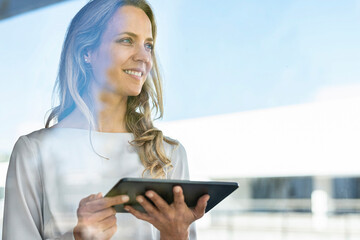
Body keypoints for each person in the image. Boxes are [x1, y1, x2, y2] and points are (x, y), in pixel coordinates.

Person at [2, 0, 210, 239]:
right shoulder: (33, 152)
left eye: (149, 45)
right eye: (126, 40)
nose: (144, 57)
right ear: (86, 52)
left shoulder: (168, 154)